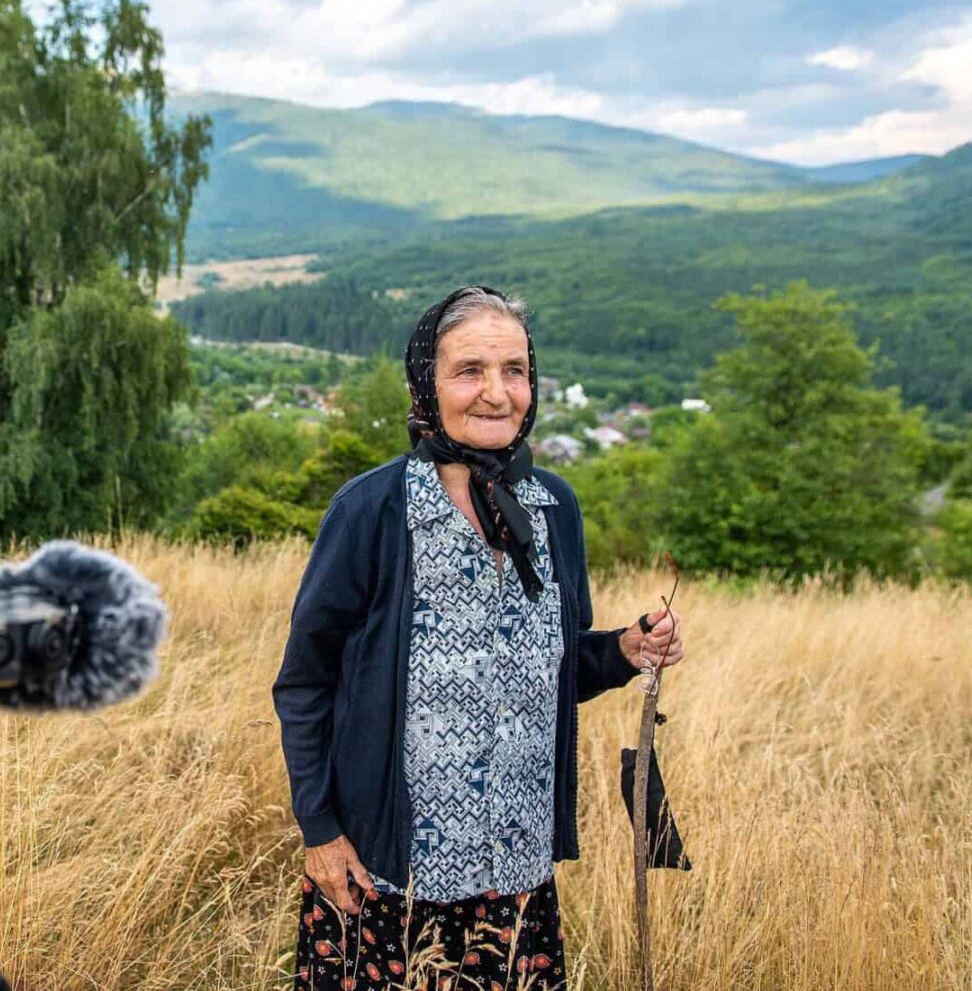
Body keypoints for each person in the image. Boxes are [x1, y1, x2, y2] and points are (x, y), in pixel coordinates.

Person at [272, 286, 685, 990]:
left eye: (515, 370)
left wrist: (621, 651)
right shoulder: (372, 511)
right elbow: (305, 682)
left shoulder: (555, 509)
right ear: (426, 385)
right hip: (384, 874)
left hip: (514, 876)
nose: (497, 392)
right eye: (470, 370)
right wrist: (320, 831)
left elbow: (554, 667)